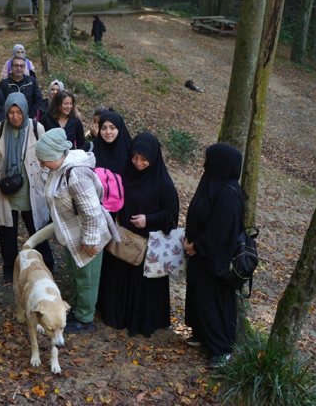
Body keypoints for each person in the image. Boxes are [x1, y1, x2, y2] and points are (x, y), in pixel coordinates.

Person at [35, 128, 119, 333]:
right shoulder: (59, 169)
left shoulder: (76, 174)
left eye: (44, 159)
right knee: (75, 273)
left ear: (56, 155)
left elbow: (91, 211)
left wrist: (90, 242)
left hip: (87, 236)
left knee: (87, 278)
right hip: (72, 235)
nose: (42, 164)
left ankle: (85, 318)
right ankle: (74, 307)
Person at [103, 132, 179, 337]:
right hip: (122, 241)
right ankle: (116, 314)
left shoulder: (162, 182)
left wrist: (149, 219)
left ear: (153, 158)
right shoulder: (125, 173)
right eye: (135, 157)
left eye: (144, 159)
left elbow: (171, 216)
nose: (138, 163)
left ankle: (139, 319)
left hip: (147, 245)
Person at [183, 143, 244, 368]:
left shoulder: (228, 192)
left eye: (207, 158)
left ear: (219, 163)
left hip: (213, 258)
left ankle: (221, 349)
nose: (203, 162)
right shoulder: (211, 182)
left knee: (211, 301)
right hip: (200, 256)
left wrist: (196, 246)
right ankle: (202, 335)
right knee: (199, 296)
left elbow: (220, 230)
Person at [0, 93, 51, 283]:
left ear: (25, 111)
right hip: (6, 189)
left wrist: (45, 177)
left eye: (18, 112)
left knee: (37, 229)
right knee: (7, 233)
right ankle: (10, 267)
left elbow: (47, 156)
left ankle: (47, 265)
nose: (15, 116)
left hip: (31, 188)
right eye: (11, 112)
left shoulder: (36, 127)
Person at [88, 110, 133, 318]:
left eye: (112, 128)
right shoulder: (93, 149)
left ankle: (110, 303)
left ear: (120, 129)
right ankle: (93, 300)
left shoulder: (128, 152)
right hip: (95, 214)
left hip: (119, 216)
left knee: (114, 259)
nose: (108, 132)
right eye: (104, 127)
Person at [0, 56, 43, 121]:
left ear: (25, 67)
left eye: (21, 66)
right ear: (11, 67)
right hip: (10, 120)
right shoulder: (4, 84)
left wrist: (31, 115)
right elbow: (0, 103)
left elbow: (38, 99)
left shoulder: (31, 81)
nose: (19, 68)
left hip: (29, 119)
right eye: (16, 65)